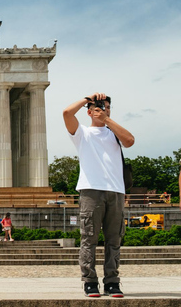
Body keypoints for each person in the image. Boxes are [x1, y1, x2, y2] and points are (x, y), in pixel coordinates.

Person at [64, 92, 135, 298]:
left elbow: (130, 141)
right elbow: (67, 112)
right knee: (89, 238)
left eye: (106, 107)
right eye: (98, 108)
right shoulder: (82, 133)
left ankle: (112, 281)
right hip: (90, 190)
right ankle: (90, 281)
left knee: (114, 239)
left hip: (116, 191)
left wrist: (107, 119)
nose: (103, 110)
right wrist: (87, 99)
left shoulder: (114, 132)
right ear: (89, 112)